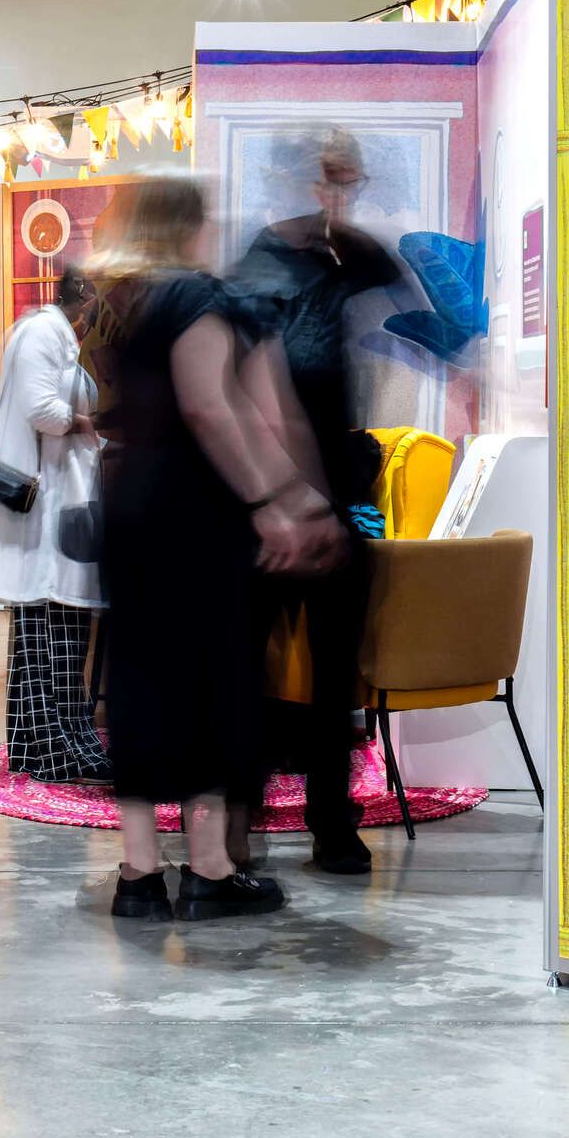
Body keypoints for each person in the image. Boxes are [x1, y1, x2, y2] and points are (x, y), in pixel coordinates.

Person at [94, 175, 342, 922]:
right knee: (214, 677)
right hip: (196, 511)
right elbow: (216, 406)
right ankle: (207, 867)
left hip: (129, 505)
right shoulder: (202, 300)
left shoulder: (112, 304)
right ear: (191, 226)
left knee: (136, 679)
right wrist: (284, 502)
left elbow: (111, 412)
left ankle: (139, 874)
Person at [231, 127, 402, 876]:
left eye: (351, 183)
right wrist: (281, 497)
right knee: (245, 666)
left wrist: (335, 214)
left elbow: (389, 272)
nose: (344, 195)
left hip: (336, 496)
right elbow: (245, 400)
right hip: (266, 500)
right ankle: (237, 829)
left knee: (336, 674)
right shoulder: (255, 270)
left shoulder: (342, 256)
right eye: (332, 181)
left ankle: (332, 822)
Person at [0, 271, 109, 785]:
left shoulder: (52, 331)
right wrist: (96, 425)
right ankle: (52, 750)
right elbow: (43, 412)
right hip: (45, 507)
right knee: (49, 629)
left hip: (61, 501)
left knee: (59, 631)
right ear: (88, 295)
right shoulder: (43, 332)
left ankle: (59, 745)